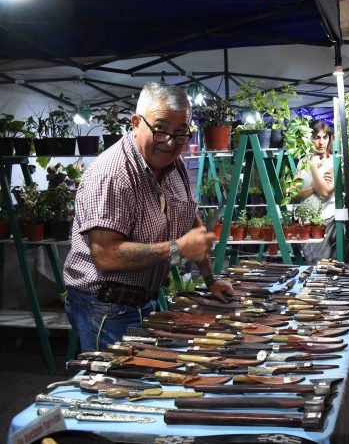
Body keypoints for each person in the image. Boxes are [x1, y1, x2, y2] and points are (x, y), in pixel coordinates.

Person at [63, 82, 235, 352]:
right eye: (161, 129)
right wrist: (177, 248)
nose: (170, 142)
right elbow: (107, 254)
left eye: (181, 133)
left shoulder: (174, 165)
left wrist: (210, 279)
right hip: (106, 307)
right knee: (113, 386)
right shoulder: (112, 174)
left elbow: (191, 224)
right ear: (135, 123)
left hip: (147, 299)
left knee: (143, 381)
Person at [294, 119, 335, 264]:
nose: (321, 142)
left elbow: (324, 192)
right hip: (305, 222)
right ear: (310, 139)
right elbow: (294, 193)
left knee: (323, 265)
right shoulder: (303, 160)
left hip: (326, 220)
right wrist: (313, 188)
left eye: (325, 137)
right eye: (317, 137)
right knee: (310, 265)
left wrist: (313, 167)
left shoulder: (333, 162)